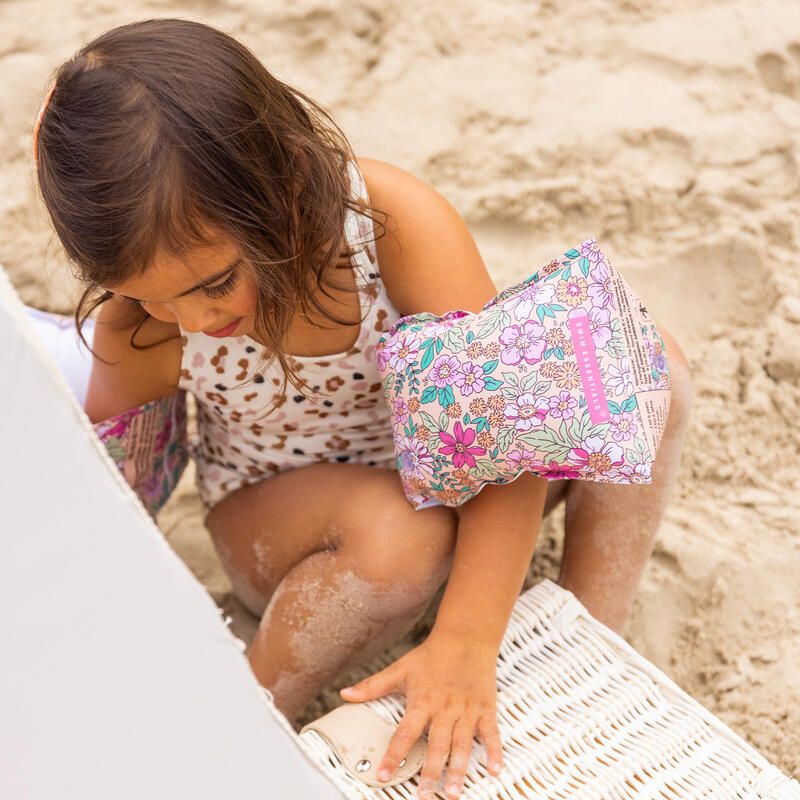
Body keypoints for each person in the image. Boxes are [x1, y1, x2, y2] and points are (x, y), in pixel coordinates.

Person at [33, 18, 694, 800]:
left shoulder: (391, 229)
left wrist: (469, 638)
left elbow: (508, 437)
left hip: (445, 464)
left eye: (213, 284)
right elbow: (115, 498)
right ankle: (247, 717)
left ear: (276, 186)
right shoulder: (144, 324)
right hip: (285, 524)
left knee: (648, 365)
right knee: (399, 533)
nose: (194, 320)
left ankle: (586, 638)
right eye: (152, 295)